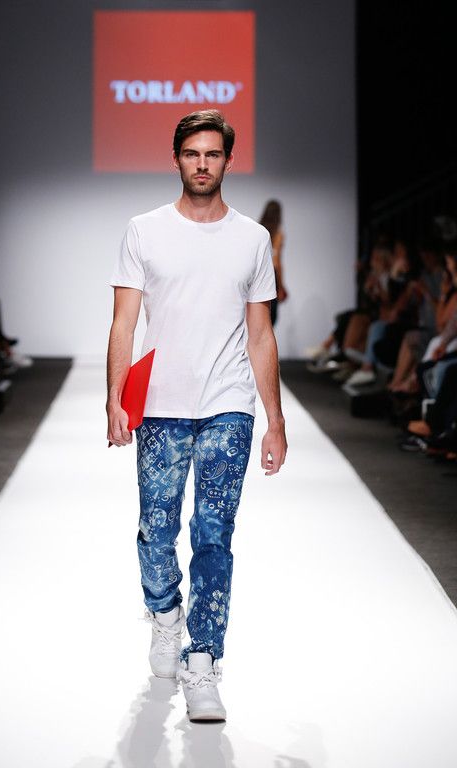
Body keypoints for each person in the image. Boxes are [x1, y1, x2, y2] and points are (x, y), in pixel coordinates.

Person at [106, 109, 287, 722]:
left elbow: (260, 335)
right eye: (192, 154)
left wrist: (275, 419)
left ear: (228, 161)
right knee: (156, 532)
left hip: (228, 406)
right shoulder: (144, 231)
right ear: (176, 159)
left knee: (214, 535)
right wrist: (114, 397)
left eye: (213, 154)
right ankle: (165, 613)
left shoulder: (253, 239)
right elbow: (124, 321)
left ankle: (203, 659)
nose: (202, 164)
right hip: (159, 405)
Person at [258, 200, 288, 326]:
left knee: (258, 314)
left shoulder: (258, 230)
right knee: (271, 318)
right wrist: (280, 286)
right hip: (271, 277)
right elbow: (276, 262)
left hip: (258, 274)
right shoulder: (278, 235)